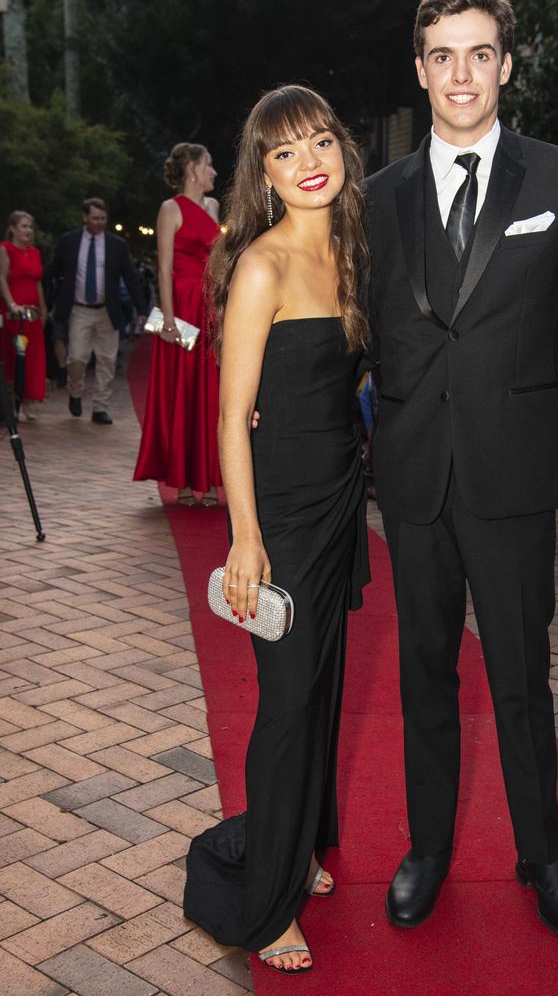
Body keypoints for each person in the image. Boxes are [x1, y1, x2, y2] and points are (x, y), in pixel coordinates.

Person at [365, 0, 558, 940]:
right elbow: (363, 337)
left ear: (506, 64)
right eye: (442, 55)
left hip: (516, 477)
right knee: (424, 672)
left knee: (522, 676)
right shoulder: (380, 194)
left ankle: (542, 854)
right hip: (414, 475)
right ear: (420, 69)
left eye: (479, 53)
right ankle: (427, 849)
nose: (461, 74)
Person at [182, 86, 370, 973]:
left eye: (321, 142)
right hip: (284, 514)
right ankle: (266, 901)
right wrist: (245, 538)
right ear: (262, 172)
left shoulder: (347, 249)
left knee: (323, 688)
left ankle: (295, 844)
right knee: (289, 703)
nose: (309, 163)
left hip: (339, 499)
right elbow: (232, 418)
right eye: (285, 153)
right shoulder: (260, 265)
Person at [133, 143, 223, 504]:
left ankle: (214, 477)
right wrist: (169, 319)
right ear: (192, 169)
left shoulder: (214, 207)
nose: (214, 171)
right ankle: (184, 481)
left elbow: (218, 262)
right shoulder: (169, 209)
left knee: (212, 392)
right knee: (183, 391)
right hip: (182, 308)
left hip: (211, 305)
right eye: (209, 164)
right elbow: (165, 268)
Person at [50, 198, 146, 424]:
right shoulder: (69, 241)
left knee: (106, 360)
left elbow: (130, 278)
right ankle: (75, 392)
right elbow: (55, 270)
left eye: (103, 219)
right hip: (79, 309)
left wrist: (141, 308)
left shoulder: (117, 245)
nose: (99, 223)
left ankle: (100, 407)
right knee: (77, 357)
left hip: (107, 311)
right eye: (95, 218)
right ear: (85, 218)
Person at [0, 211, 47, 421]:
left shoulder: (35, 252)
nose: (28, 231)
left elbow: (38, 282)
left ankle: (26, 404)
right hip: (14, 312)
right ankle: (13, 403)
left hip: (33, 314)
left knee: (32, 357)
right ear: (13, 228)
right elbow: (1, 278)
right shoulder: (6, 249)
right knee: (14, 354)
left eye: (30, 227)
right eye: (24, 226)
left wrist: (44, 309)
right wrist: (11, 303)